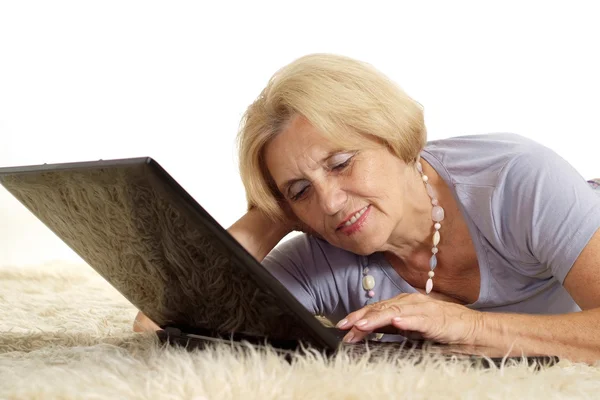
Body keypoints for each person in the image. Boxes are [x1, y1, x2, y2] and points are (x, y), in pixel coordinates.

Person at [134, 54, 600, 363]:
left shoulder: (515, 180)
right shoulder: (322, 251)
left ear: (391, 135)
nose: (331, 204)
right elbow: (160, 322)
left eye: (341, 163)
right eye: (301, 191)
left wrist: (468, 327)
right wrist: (269, 214)